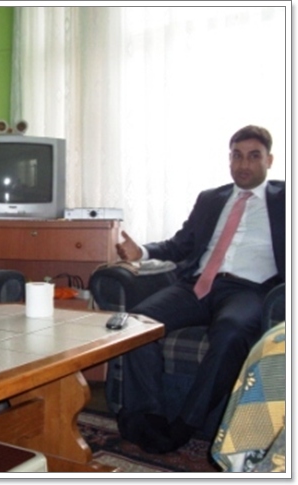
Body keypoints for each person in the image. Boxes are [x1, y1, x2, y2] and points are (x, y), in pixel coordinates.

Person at [113, 125, 285, 454]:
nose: (244, 164)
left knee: (231, 332)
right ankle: (147, 415)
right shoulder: (210, 199)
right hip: (196, 285)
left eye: (254, 156)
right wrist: (142, 252)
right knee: (136, 323)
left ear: (269, 160)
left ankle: (185, 425)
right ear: (229, 159)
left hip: (248, 290)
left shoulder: (286, 200)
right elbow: (180, 244)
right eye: (237, 156)